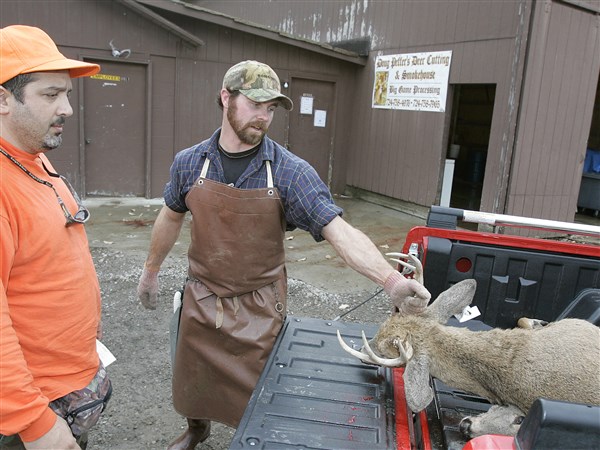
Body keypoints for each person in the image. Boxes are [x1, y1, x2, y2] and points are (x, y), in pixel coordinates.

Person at [136, 60, 431, 450]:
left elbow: (339, 232)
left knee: (260, 395)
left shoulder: (291, 173)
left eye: (271, 108)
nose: (264, 116)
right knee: (194, 376)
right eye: (255, 104)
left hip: (259, 305)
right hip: (202, 296)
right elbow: (170, 217)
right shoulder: (191, 162)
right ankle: (197, 429)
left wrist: (391, 281)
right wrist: (150, 270)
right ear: (226, 98)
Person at [0, 25, 111, 450]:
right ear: (4, 99)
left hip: (66, 385)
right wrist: (33, 423)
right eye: (50, 95)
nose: (67, 108)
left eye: (66, 93)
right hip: (29, 408)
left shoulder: (36, 159)